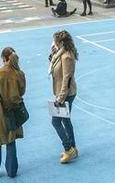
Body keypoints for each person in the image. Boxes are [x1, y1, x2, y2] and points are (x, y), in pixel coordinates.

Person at [0, 47, 26, 179]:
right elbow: (22, 92)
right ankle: (12, 170)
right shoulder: (20, 74)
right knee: (11, 139)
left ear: (3, 58)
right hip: (14, 110)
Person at [49, 30, 78, 164]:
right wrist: (53, 55)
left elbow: (67, 79)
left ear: (61, 42)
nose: (53, 43)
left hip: (65, 94)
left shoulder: (66, 57)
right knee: (66, 121)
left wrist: (60, 98)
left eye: (55, 41)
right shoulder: (60, 53)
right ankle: (73, 148)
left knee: (55, 121)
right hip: (63, 92)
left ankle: (68, 149)